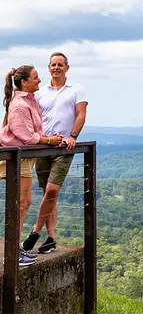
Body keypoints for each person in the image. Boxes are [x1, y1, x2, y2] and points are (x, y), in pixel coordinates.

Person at [22, 52, 88, 254]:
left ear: (67, 68)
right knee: (46, 194)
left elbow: (81, 115)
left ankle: (35, 232)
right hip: (43, 146)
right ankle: (51, 238)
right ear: (48, 68)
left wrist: (73, 136)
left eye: (60, 64)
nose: (57, 67)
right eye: (53, 64)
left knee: (52, 191)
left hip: (63, 148)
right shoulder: (40, 93)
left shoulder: (77, 89)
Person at [1, 66, 63, 266]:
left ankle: (15, 250)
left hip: (23, 158)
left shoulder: (27, 101)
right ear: (24, 82)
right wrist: (49, 141)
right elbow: (27, 137)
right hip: (17, 158)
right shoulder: (19, 104)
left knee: (24, 203)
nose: (39, 80)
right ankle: (13, 253)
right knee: (20, 204)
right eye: (35, 78)